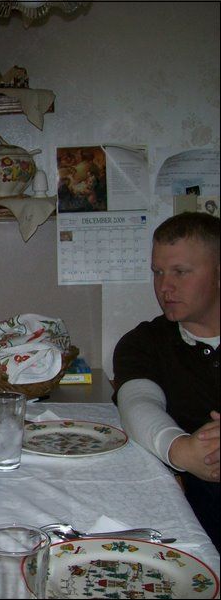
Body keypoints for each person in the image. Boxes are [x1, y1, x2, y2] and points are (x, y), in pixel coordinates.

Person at [113, 211, 220, 550]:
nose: (164, 286)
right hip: (199, 504)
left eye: (180, 272)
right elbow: (138, 401)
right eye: (158, 272)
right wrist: (182, 451)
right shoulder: (144, 342)